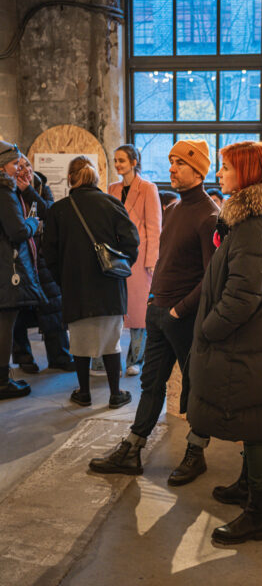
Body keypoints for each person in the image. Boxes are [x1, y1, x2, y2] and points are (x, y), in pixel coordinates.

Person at [187, 141, 262, 545]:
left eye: (227, 168)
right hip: (255, 344)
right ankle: (247, 487)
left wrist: (208, 329)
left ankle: (257, 515)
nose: (219, 174)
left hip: (246, 345)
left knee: (255, 425)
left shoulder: (251, 226)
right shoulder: (259, 220)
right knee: (255, 421)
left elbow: (242, 296)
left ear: (247, 173)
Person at [89, 139, 219, 483]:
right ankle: (132, 449)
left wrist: (179, 310)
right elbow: (164, 260)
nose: (172, 168)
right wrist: (152, 299)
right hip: (159, 312)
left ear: (199, 171)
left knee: (196, 387)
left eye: (180, 163)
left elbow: (211, 277)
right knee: (151, 383)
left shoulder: (209, 216)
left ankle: (196, 453)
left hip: (183, 318)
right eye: (171, 161)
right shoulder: (174, 208)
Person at [43, 156, 140, 408]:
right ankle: (115, 394)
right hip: (109, 284)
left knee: (79, 341)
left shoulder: (59, 210)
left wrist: (63, 278)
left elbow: (49, 254)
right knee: (112, 341)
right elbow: (131, 241)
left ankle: (84, 393)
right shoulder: (111, 203)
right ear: (95, 176)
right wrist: (121, 266)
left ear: (70, 178)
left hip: (75, 286)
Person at [91, 144, 162, 378]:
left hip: (139, 256)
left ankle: (136, 360)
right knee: (113, 308)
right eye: (115, 160)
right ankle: (107, 360)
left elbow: (154, 227)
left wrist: (152, 259)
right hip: (115, 255)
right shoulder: (112, 189)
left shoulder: (148, 188)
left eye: (121, 160)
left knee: (139, 311)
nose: (117, 165)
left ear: (134, 162)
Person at [12, 155, 75, 373]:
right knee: (20, 309)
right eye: (20, 166)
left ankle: (59, 355)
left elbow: (50, 212)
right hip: (19, 257)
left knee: (53, 307)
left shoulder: (40, 185)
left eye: (27, 165)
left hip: (43, 255)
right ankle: (24, 358)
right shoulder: (7, 190)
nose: (26, 170)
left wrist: (29, 191)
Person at [0, 140, 45, 400]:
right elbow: (17, 231)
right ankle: (2, 381)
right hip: (7, 268)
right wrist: (31, 223)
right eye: (14, 163)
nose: (18, 167)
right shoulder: (4, 191)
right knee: (5, 324)